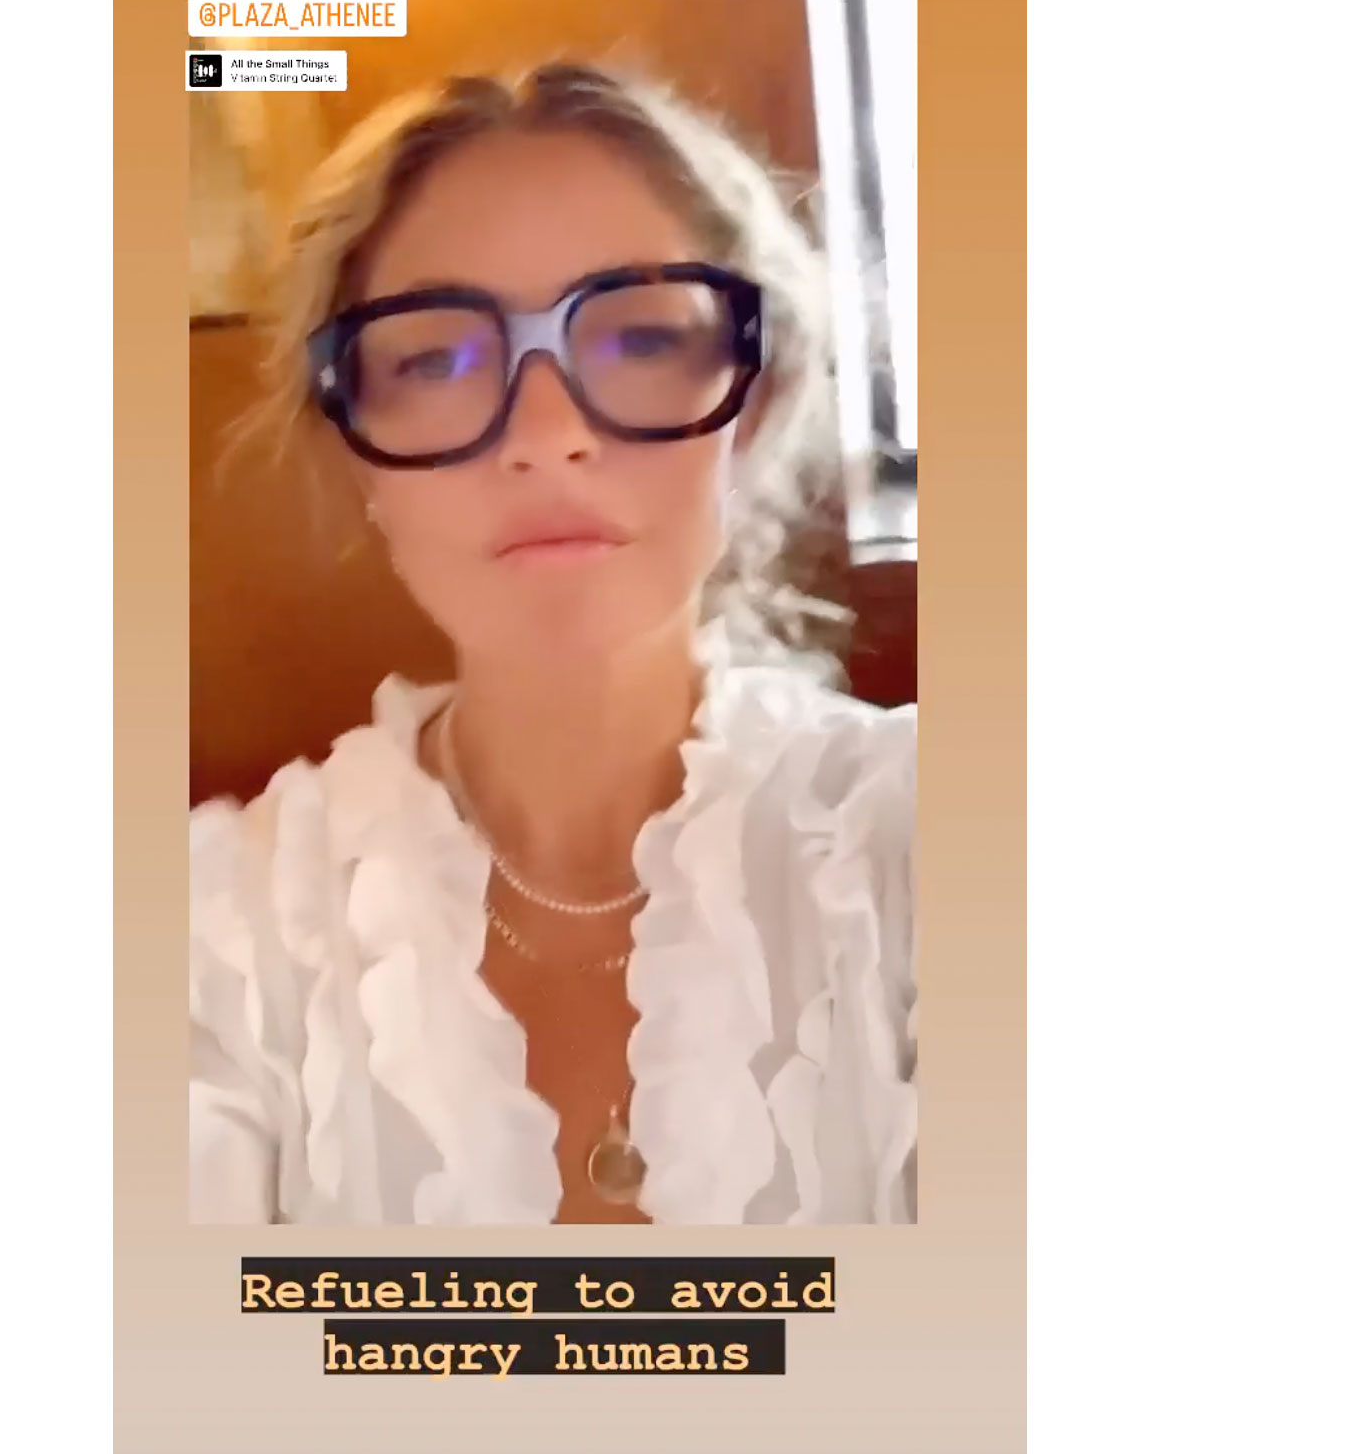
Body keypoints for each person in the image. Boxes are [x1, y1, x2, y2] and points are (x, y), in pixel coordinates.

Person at [190, 60, 916, 1226]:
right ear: (352, 445)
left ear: (757, 405)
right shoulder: (216, 934)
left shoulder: (919, 847)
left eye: (638, 339)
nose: (546, 433)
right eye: (436, 358)